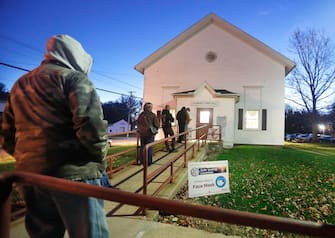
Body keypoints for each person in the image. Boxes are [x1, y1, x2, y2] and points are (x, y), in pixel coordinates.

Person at [0, 34, 110, 238]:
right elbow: (92, 129)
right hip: (75, 177)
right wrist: (100, 158)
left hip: (31, 176)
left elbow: (6, 134)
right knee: (90, 234)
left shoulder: (20, 84)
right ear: (75, 55)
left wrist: (28, 159)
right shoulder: (75, 79)